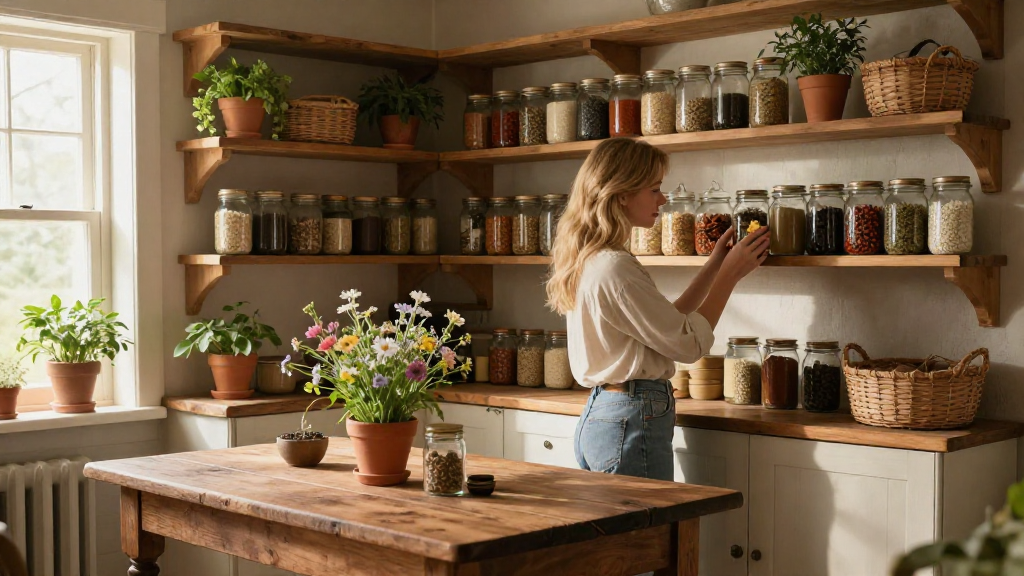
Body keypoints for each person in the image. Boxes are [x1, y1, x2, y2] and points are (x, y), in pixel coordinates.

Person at [546, 138, 770, 481]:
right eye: (654, 189)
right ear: (622, 193)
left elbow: (665, 326)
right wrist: (730, 276)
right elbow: (687, 345)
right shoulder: (615, 267)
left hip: (606, 413)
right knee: (649, 519)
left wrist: (715, 267)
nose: (663, 199)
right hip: (630, 415)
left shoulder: (595, 259)